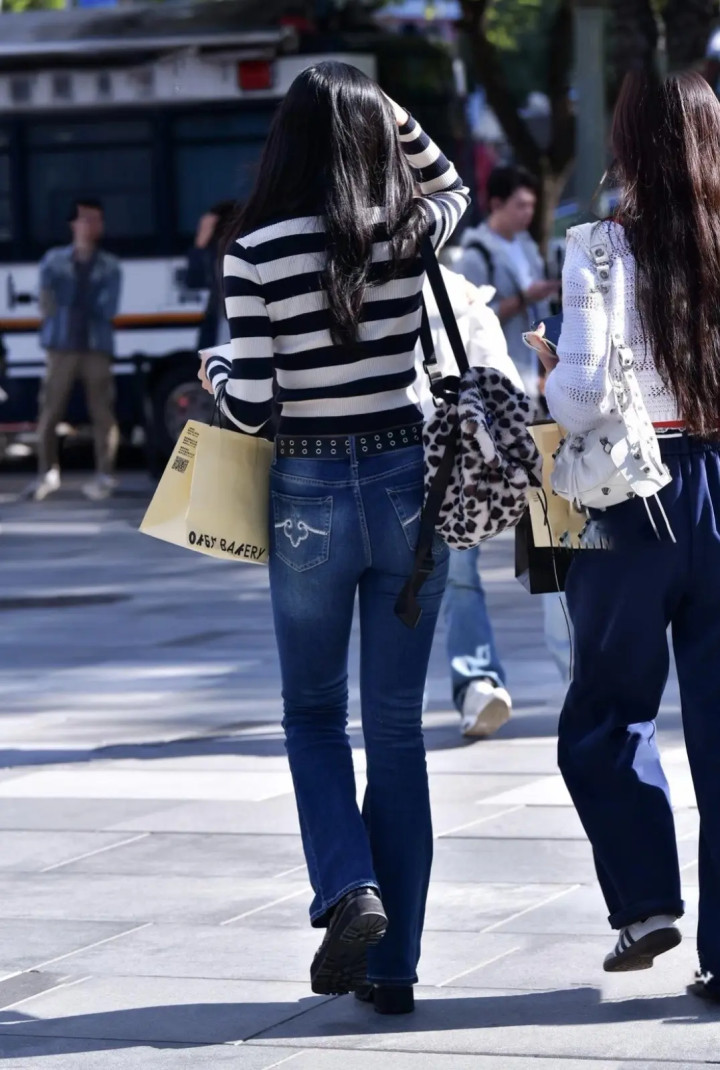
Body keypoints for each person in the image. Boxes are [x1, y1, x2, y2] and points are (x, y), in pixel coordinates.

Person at [198, 62, 469, 1013]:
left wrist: (218, 369)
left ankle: (350, 889)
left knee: (314, 717)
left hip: (308, 488)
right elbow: (452, 184)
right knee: (396, 731)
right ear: (373, 135)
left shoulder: (253, 250)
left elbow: (255, 406)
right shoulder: (408, 231)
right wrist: (391, 108)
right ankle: (394, 972)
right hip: (405, 480)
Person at [536, 70, 720, 1002]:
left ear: (627, 143)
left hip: (630, 497)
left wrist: (545, 372)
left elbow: (582, 395)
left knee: (606, 714)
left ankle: (646, 904)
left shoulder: (600, 247)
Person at [414, 268, 521, 736]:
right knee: (458, 579)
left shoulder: (346, 272)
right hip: (447, 464)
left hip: (378, 462)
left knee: (391, 587)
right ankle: (475, 683)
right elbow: (502, 382)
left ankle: (406, 696)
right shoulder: (457, 289)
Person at [31, 198, 122, 502]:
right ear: (73, 224)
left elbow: (108, 308)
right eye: (85, 219)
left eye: (96, 220)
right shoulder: (54, 260)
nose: (90, 225)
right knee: (50, 411)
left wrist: (70, 297)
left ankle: (104, 474)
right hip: (60, 347)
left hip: (96, 348)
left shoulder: (109, 265)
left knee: (103, 413)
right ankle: (47, 472)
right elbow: (46, 303)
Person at [458, 165, 559, 402]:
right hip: (501, 377)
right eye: (521, 205)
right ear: (496, 204)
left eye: (532, 205)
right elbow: (468, 320)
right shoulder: (475, 254)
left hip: (537, 373)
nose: (528, 212)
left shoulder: (527, 246)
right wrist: (524, 298)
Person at [186, 200, 236, 351]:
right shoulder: (212, 255)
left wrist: (200, 245)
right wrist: (200, 245)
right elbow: (194, 280)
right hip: (218, 325)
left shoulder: (236, 252)